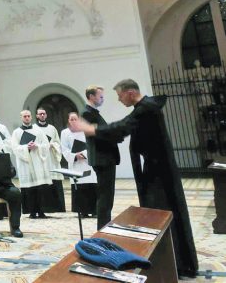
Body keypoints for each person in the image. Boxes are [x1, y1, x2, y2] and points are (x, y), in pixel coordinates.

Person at [74, 79, 198, 278]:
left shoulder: (145, 109)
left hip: (159, 173)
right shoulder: (145, 107)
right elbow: (124, 128)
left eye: (120, 95)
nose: (118, 99)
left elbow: (123, 126)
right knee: (159, 214)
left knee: (162, 215)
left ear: (130, 93)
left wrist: (91, 129)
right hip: (156, 169)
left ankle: (177, 263)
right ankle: (176, 261)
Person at [81, 85, 124, 230]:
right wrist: (114, 136)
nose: (102, 99)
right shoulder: (87, 113)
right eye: (101, 96)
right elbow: (96, 135)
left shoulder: (93, 113)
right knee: (105, 196)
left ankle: (105, 225)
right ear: (91, 96)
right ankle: (103, 227)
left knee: (107, 195)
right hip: (102, 159)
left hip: (105, 158)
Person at [11, 110, 52, 219]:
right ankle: (32, 212)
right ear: (21, 117)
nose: (27, 118)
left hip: (38, 161)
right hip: (26, 163)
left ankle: (42, 211)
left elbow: (46, 145)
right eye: (25, 116)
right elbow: (14, 148)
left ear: (31, 117)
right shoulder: (16, 132)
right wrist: (25, 147)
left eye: (28, 116)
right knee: (29, 189)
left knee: (40, 188)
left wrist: (37, 146)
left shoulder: (38, 131)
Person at [60, 112, 97, 218]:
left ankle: (94, 210)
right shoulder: (65, 132)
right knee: (79, 186)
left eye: (75, 119)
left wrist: (84, 154)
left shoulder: (85, 131)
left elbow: (91, 144)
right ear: (68, 120)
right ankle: (82, 211)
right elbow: (64, 148)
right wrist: (75, 156)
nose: (73, 121)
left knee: (91, 184)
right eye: (71, 119)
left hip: (87, 162)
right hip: (75, 163)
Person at [35, 108, 65, 213]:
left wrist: (53, 145)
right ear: (37, 116)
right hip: (41, 159)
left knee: (55, 182)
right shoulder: (34, 129)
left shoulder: (52, 128)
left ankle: (58, 207)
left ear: (46, 115)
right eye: (40, 114)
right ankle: (45, 207)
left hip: (52, 158)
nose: (42, 115)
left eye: (44, 113)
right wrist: (42, 146)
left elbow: (58, 142)